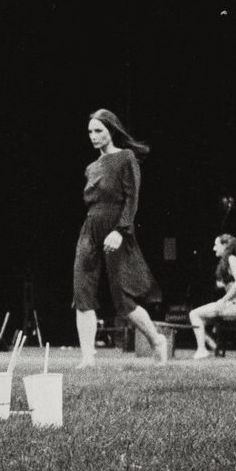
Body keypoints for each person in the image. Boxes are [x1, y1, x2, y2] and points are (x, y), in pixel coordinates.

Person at [74, 109, 166, 367]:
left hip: (117, 227)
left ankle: (157, 340)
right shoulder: (91, 167)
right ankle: (87, 357)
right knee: (81, 291)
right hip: (90, 228)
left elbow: (132, 198)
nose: (93, 136)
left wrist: (120, 230)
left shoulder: (126, 158)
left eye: (99, 131)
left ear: (111, 131)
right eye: (90, 132)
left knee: (122, 298)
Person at [189, 233, 236, 359]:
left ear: (225, 246)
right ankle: (211, 345)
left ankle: (203, 349)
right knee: (199, 319)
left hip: (235, 306)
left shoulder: (232, 258)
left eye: (216, 245)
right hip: (232, 305)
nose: (214, 248)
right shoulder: (228, 261)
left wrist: (223, 300)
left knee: (194, 314)